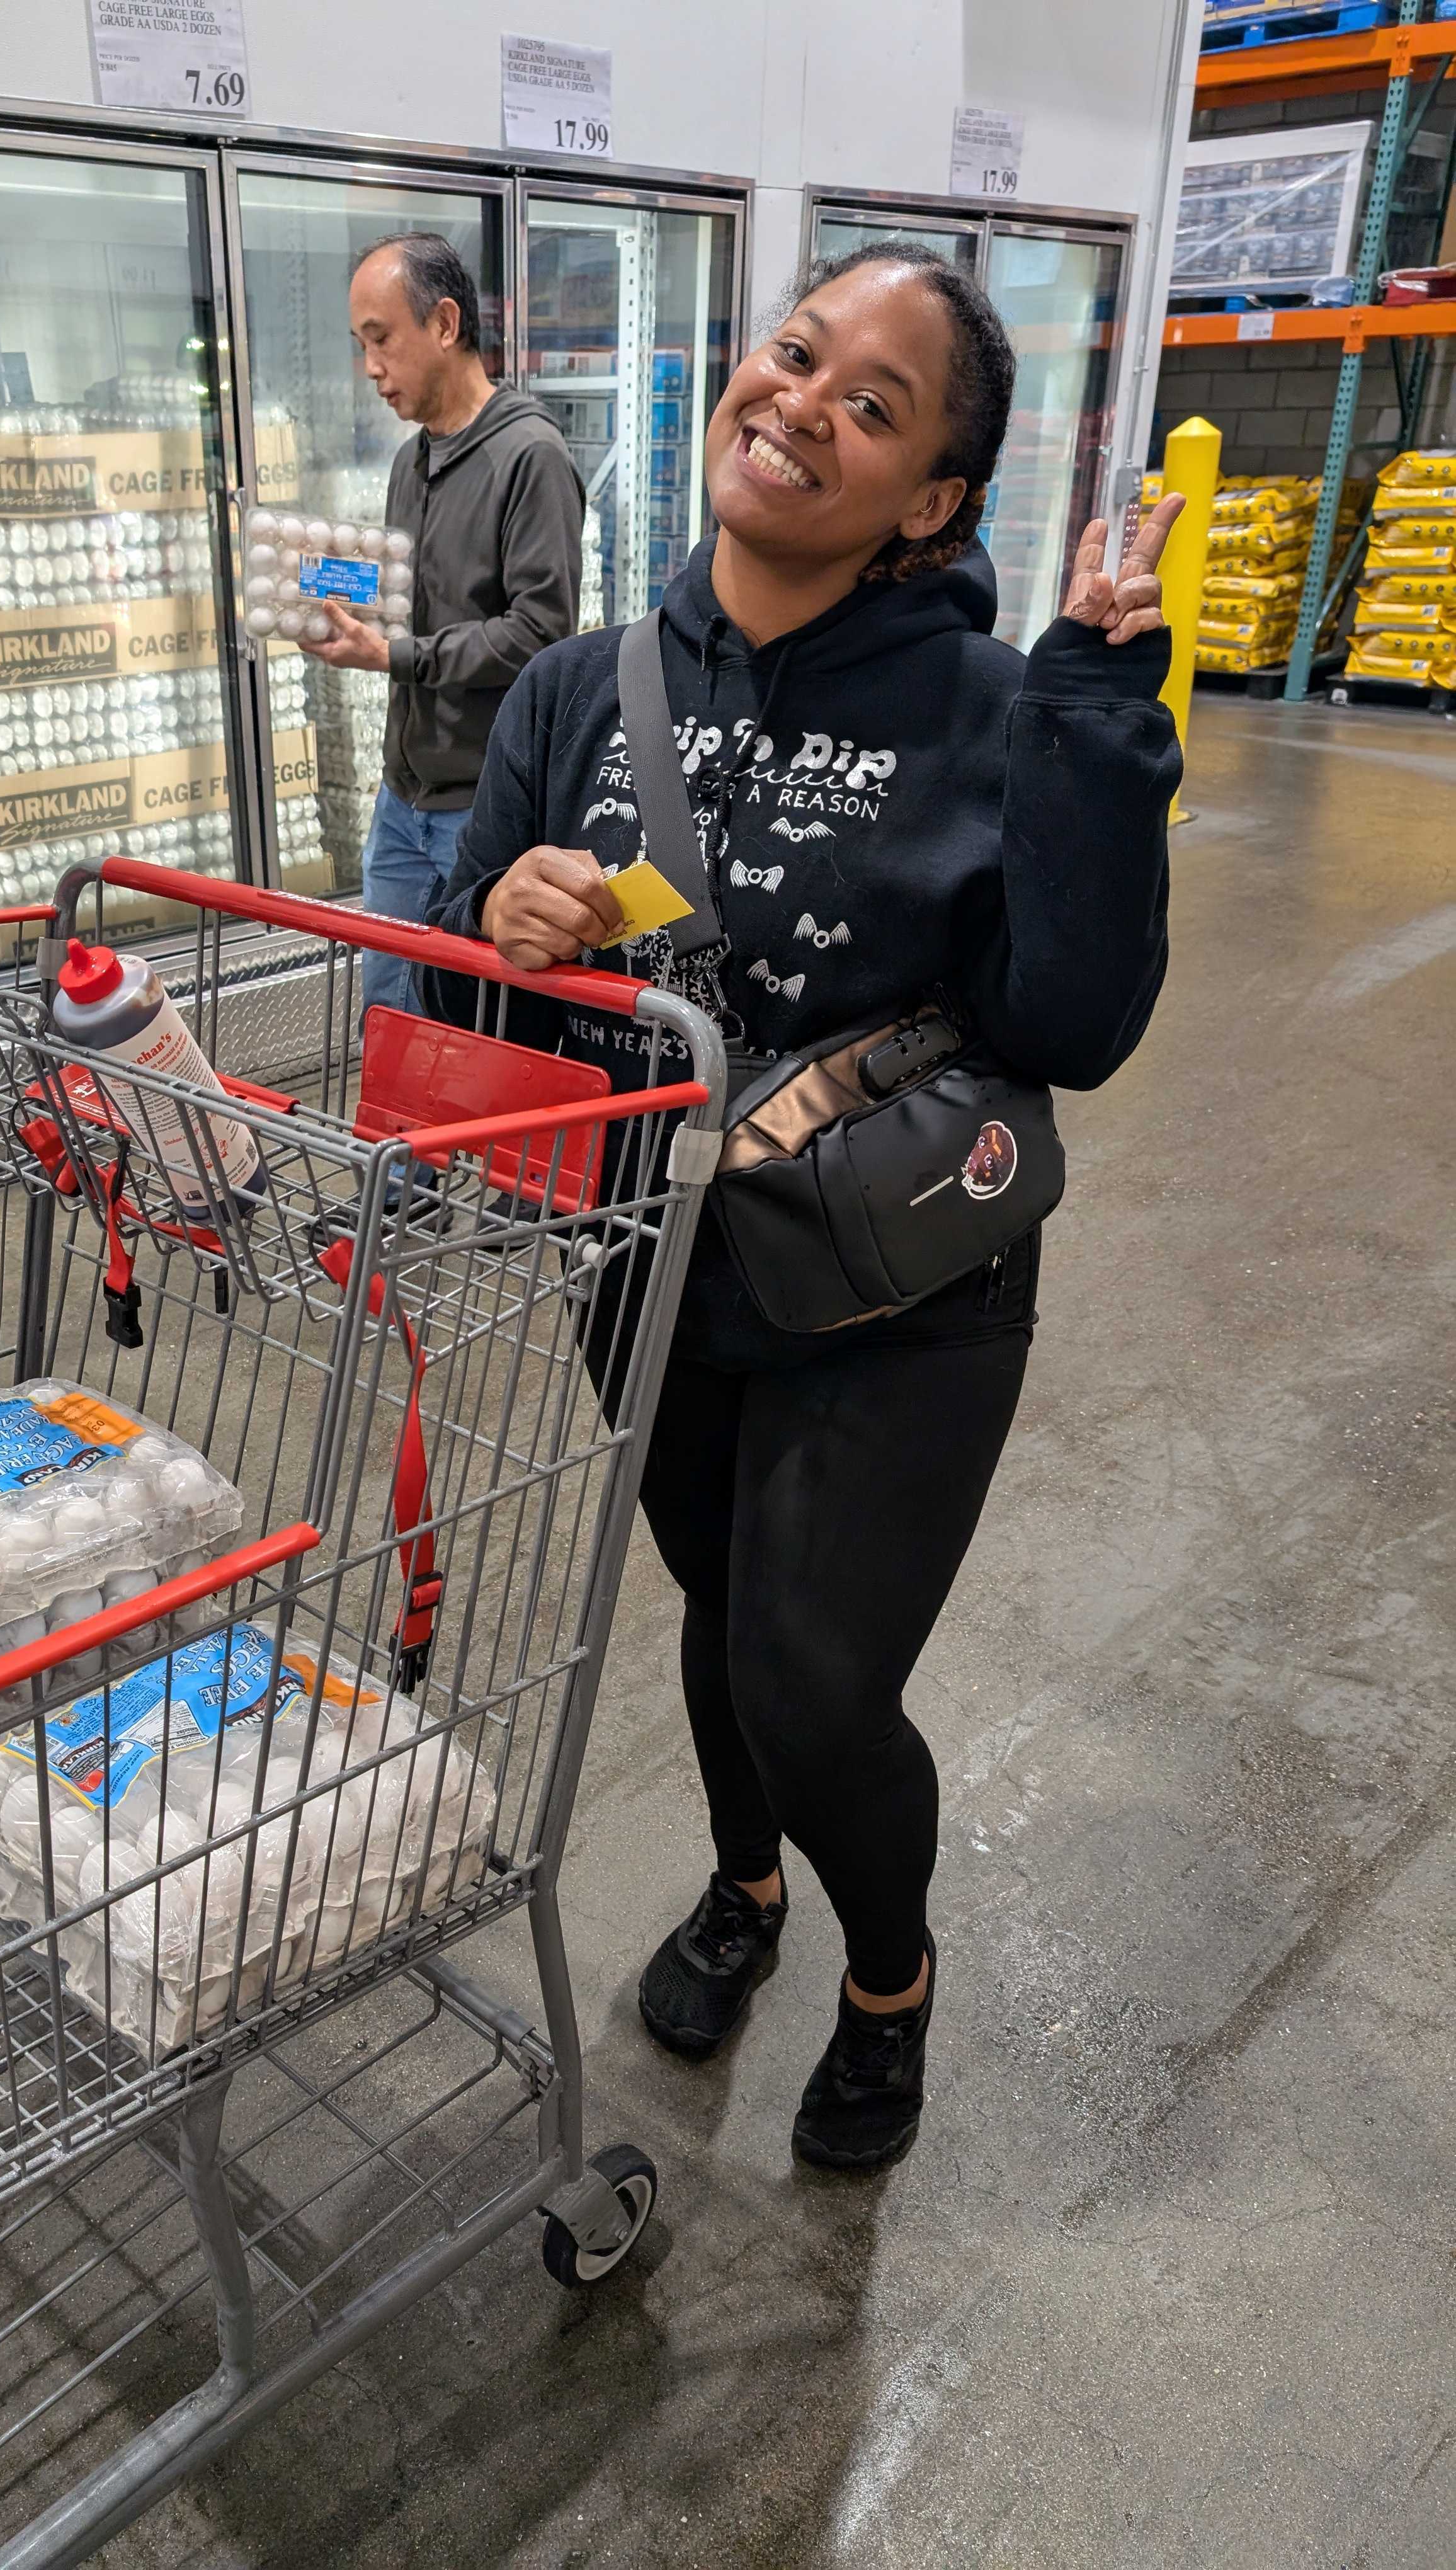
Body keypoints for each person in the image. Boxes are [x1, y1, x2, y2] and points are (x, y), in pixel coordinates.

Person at [422, 243, 1182, 2170]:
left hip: (896, 1277)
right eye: (795, 354)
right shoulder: (584, 689)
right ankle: (744, 1881)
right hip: (652, 1258)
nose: (803, 405)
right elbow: (460, 1007)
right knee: (716, 1605)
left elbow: (1068, 1019)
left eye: (873, 403)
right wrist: (498, 938)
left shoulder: (997, 706)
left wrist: (1099, 703)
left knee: (817, 1673)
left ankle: (890, 1973)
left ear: (928, 500)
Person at [298, 230, 584, 1019]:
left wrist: (396, 653)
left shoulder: (530, 457)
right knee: (387, 1018)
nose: (371, 368)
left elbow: (540, 634)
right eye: (360, 345)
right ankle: (397, 1153)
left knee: (465, 1034)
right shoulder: (411, 463)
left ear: (447, 325)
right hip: (403, 799)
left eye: (381, 339)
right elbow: (416, 606)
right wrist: (349, 612)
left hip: (480, 812)